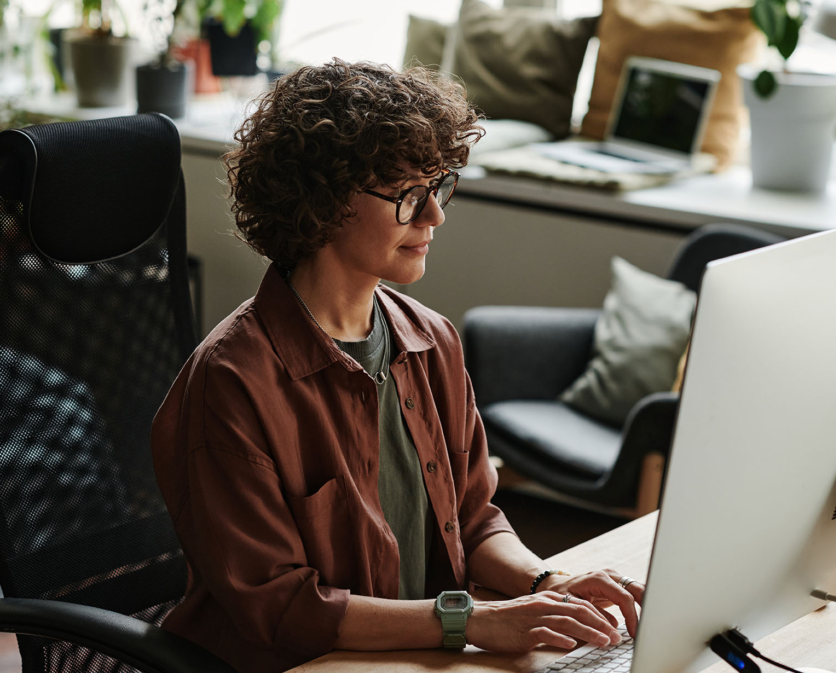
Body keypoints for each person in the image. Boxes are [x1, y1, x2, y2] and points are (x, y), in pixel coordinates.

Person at [151, 58, 644, 673]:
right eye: (410, 196)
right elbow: (281, 607)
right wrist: (471, 621)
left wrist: (545, 583)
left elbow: (475, 519)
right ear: (322, 201)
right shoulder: (233, 380)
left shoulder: (431, 340)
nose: (435, 216)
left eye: (438, 188)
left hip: (415, 654)